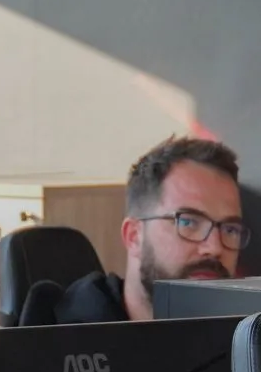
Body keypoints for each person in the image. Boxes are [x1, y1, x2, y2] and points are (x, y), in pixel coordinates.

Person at [29, 134, 248, 324]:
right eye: (188, 222)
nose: (215, 247)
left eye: (230, 229)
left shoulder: (247, 341)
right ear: (134, 236)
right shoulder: (55, 342)